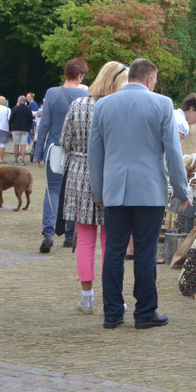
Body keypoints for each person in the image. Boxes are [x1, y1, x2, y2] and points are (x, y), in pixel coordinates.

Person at [89, 58, 190, 330]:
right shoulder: (162, 104)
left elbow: (94, 154)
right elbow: (173, 152)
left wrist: (98, 193)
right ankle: (144, 312)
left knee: (114, 252)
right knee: (145, 253)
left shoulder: (103, 105)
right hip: (149, 190)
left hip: (114, 191)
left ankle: (112, 313)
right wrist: (182, 189)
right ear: (150, 79)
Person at [60, 61, 128, 314]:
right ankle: (113, 296)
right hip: (110, 173)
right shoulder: (119, 107)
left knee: (85, 238)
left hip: (79, 173)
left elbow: (65, 141)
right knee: (111, 241)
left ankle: (86, 297)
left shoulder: (78, 104)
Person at [34, 58, 89, 253]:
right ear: (80, 75)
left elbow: (44, 124)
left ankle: (48, 233)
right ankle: (69, 235)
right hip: (77, 151)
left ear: (65, 73)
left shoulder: (52, 93)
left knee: (53, 190)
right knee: (73, 193)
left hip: (54, 148)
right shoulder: (87, 95)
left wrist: (38, 152)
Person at [9, 95, 34, 166]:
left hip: (16, 128)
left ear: (19, 101)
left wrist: (10, 129)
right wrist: (29, 127)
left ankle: (16, 160)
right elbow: (30, 120)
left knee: (16, 145)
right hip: (25, 129)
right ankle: (22, 160)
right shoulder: (28, 109)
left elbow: (11, 119)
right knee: (23, 145)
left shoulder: (15, 108)